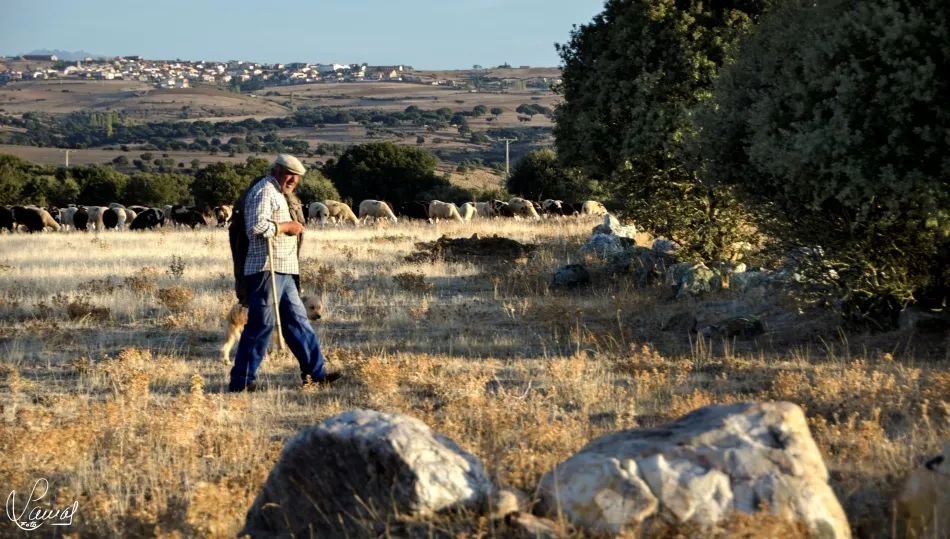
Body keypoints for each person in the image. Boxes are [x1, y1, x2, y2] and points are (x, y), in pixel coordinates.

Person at [228, 154, 341, 392]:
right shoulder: (264, 191)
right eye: (289, 174)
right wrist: (287, 227)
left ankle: (315, 376)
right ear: (277, 170)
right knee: (261, 324)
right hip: (266, 268)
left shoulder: (279, 193)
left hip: (285, 268)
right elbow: (256, 227)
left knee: (298, 322)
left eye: (297, 177)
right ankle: (242, 381)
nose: (293, 180)